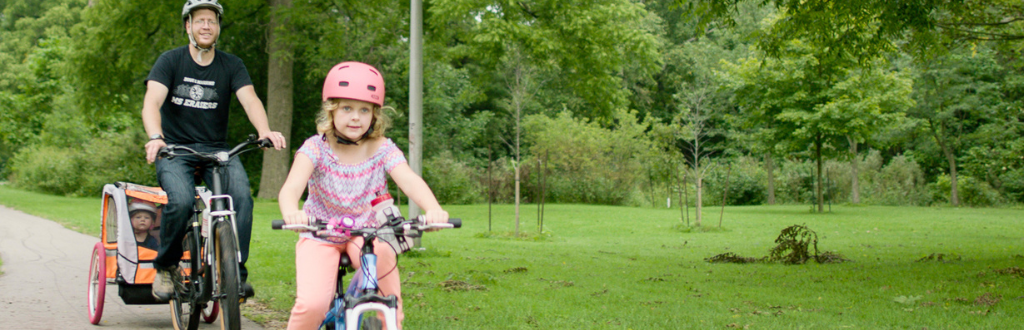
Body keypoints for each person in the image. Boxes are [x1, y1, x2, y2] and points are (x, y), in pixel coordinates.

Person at [278, 61, 449, 330]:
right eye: (346, 108)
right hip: (319, 234)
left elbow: (409, 180)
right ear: (331, 110)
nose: (355, 117)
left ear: (374, 115)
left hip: (367, 235)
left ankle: (391, 323)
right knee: (313, 304)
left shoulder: (382, 149)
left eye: (364, 110)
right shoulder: (315, 148)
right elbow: (291, 188)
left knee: (384, 273)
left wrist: (433, 209)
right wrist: (291, 211)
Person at [141, 0, 286, 301]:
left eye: (212, 21)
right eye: (200, 21)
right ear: (188, 27)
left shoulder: (231, 65)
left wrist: (264, 131)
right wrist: (156, 136)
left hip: (217, 152)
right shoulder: (170, 61)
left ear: (218, 27)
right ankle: (166, 266)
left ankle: (236, 273)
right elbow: (152, 102)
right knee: (180, 201)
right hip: (175, 150)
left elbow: (250, 100)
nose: (206, 26)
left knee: (242, 198)